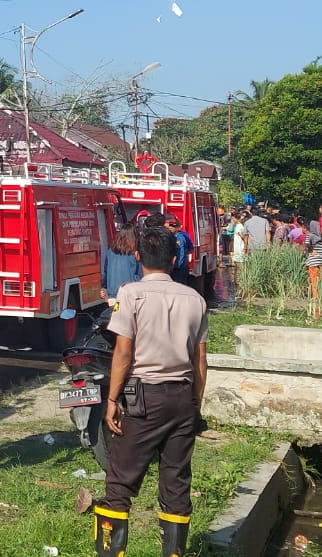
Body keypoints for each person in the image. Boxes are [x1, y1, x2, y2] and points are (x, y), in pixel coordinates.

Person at [93, 225, 208, 557]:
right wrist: (194, 405)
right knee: (175, 483)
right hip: (183, 397)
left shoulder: (131, 294)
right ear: (174, 258)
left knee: (119, 482)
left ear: (138, 257)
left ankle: (110, 553)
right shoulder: (195, 300)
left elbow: (123, 353)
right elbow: (200, 360)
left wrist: (112, 399)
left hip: (142, 395)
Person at [101, 226, 143, 301]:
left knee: (115, 311)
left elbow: (106, 273)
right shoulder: (135, 253)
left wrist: (105, 288)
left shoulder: (110, 252)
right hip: (130, 295)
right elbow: (140, 275)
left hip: (112, 295)